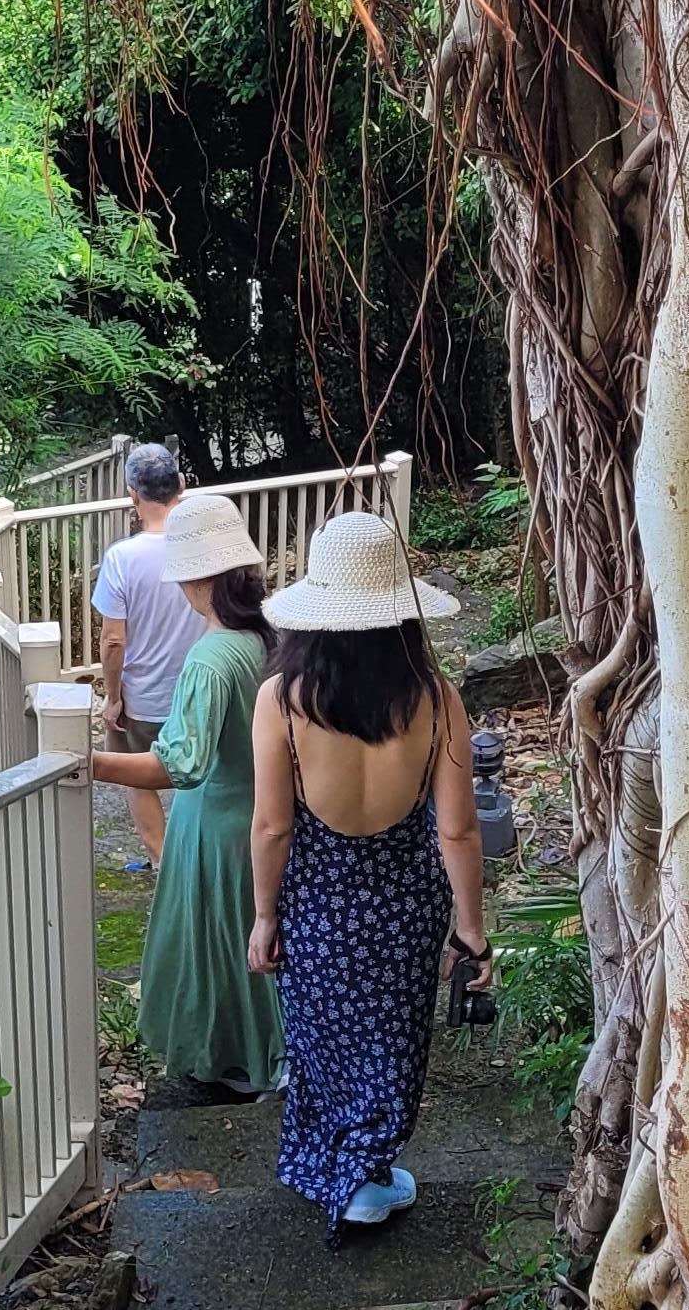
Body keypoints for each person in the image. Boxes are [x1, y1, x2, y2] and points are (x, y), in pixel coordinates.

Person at [247, 509, 491, 1230]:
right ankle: (368, 1170)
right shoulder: (437, 698)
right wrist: (471, 932)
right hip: (405, 905)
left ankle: (338, 1169)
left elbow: (271, 824)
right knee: (393, 1036)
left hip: (318, 900)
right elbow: (457, 826)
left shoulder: (282, 700)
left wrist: (265, 916)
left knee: (323, 1037)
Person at [90, 491, 285, 1098]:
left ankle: (227, 1062)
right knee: (259, 950)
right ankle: (278, 1057)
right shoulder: (270, 637)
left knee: (218, 954)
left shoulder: (210, 657)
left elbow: (182, 765)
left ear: (194, 579)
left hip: (216, 825)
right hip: (270, 813)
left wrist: (89, 763)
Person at [91, 442, 196, 865]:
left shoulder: (123, 558)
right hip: (199, 690)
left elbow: (113, 640)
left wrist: (113, 697)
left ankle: (163, 862)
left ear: (133, 494)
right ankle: (200, 858)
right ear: (181, 486)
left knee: (137, 774)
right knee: (204, 774)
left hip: (145, 698)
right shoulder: (203, 547)